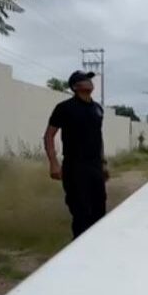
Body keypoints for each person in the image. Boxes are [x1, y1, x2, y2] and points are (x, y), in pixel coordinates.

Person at [43, 71, 109, 239]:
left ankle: (97, 251)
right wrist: (53, 162)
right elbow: (49, 135)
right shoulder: (64, 108)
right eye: (85, 79)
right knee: (81, 214)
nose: (90, 81)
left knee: (99, 213)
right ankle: (78, 255)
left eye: (90, 79)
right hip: (75, 167)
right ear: (75, 87)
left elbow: (98, 137)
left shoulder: (97, 109)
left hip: (95, 167)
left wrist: (103, 164)